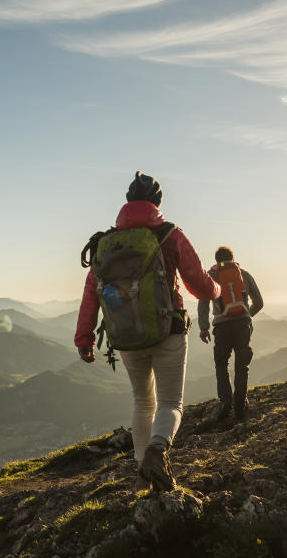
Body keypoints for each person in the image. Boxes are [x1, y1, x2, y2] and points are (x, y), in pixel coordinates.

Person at [75, 172, 221, 492]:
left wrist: (84, 339)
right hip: (168, 331)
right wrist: (216, 289)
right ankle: (158, 450)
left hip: (126, 336)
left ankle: (143, 478)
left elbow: (91, 295)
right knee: (170, 403)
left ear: (128, 203)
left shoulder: (106, 244)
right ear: (157, 203)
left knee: (142, 402)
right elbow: (199, 283)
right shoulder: (170, 235)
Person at [197, 246, 264, 422]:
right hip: (243, 325)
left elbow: (203, 303)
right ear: (232, 258)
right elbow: (259, 302)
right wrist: (246, 315)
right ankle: (240, 406)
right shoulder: (244, 274)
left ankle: (226, 402)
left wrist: (203, 327)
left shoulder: (211, 276)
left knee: (221, 363)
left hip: (222, 327)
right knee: (242, 366)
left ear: (216, 259)